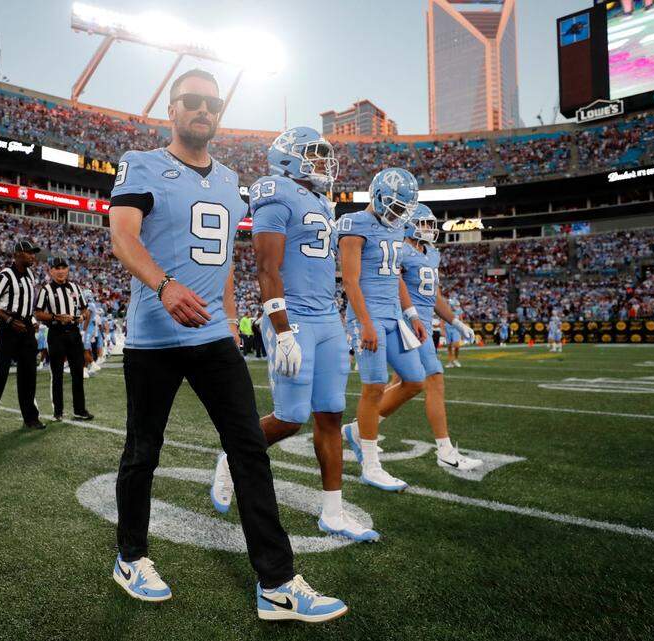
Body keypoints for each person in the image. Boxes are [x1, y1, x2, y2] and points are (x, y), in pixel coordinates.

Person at [108, 68, 345, 622]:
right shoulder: (142, 163)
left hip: (214, 335)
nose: (203, 111)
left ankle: (278, 583)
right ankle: (130, 556)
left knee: (248, 448)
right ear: (172, 110)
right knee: (143, 451)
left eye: (212, 103)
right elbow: (122, 235)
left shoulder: (231, 179)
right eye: (191, 101)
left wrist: (238, 322)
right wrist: (163, 287)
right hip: (155, 334)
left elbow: (222, 266)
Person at [210, 126, 376, 541]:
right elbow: (266, 267)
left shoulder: (322, 200)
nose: (323, 163)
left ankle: (333, 513)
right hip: (295, 317)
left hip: (328, 318)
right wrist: (282, 330)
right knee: (291, 417)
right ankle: (232, 456)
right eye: (314, 155)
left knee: (332, 415)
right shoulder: (275, 190)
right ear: (289, 158)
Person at [343, 204, 483, 473]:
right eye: (424, 223)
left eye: (431, 224)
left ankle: (359, 429)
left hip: (420, 323)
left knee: (407, 382)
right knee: (432, 379)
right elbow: (388, 282)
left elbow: (434, 295)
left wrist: (453, 320)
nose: (429, 229)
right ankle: (444, 450)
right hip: (404, 322)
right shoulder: (401, 250)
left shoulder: (431, 253)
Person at [338, 168, 429, 492]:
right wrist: (364, 323)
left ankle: (359, 431)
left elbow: (397, 276)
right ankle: (371, 464)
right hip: (368, 315)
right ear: (376, 196)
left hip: (394, 315)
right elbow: (349, 280)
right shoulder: (354, 223)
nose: (396, 214)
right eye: (392, 206)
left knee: (415, 380)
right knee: (374, 387)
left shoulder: (398, 227)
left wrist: (412, 314)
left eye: (401, 208)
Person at [0, 240, 46, 434]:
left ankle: (30, 418)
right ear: (17, 254)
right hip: (8, 327)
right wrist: (8, 320)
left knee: (29, 375)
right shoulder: (6, 275)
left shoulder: (30, 275)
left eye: (34, 253)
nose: (33, 256)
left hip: (25, 326)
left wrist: (30, 319)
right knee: (0, 374)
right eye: (29, 253)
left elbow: (24, 304)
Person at [34, 256, 94, 421]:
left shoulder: (74, 287)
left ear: (67, 269)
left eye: (63, 267)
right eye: (57, 268)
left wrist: (82, 317)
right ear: (51, 271)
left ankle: (79, 410)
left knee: (78, 372)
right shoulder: (46, 289)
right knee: (57, 374)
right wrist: (55, 317)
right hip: (56, 333)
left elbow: (84, 310)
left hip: (74, 333)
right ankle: (58, 411)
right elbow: (38, 313)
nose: (60, 271)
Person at [444, 297, 467, 368]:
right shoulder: (446, 310)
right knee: (449, 346)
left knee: (456, 345)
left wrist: (462, 330)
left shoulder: (459, 310)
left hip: (456, 329)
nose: (456, 307)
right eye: (455, 305)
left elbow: (461, 320)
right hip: (448, 328)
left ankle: (456, 359)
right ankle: (450, 362)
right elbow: (442, 320)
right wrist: (442, 330)